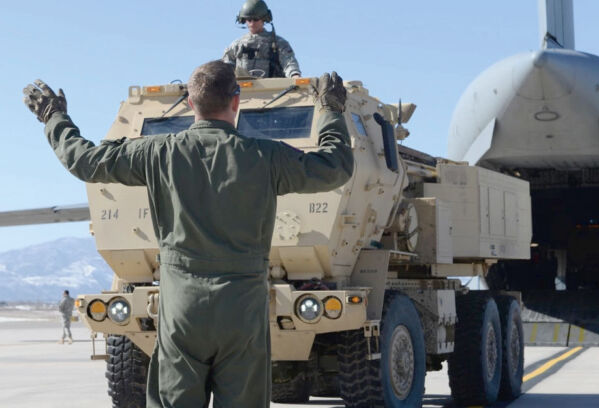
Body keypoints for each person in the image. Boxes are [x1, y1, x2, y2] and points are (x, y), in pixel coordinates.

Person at [23, 63, 353, 408]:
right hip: (242, 310)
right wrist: (331, 111)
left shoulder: (158, 152)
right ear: (236, 101)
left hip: (182, 308)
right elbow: (335, 167)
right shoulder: (265, 156)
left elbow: (86, 161)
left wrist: (54, 118)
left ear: (190, 104)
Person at [222, 0, 301, 78]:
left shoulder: (278, 43)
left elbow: (288, 62)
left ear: (264, 19)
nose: (252, 23)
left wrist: (294, 75)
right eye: (249, 20)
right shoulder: (237, 45)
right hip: (242, 89)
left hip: (273, 89)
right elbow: (225, 67)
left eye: (256, 19)